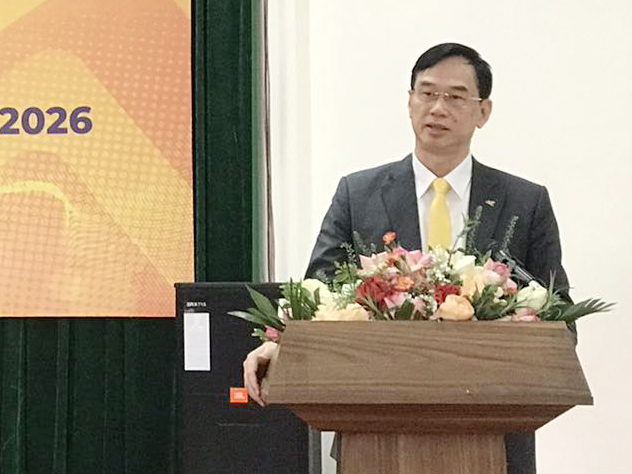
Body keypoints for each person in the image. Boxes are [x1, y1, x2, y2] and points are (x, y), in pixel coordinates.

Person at [243, 43, 569, 474]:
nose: (438, 108)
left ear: (483, 111)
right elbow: (317, 297)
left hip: (494, 442)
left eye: (455, 97)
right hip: (376, 439)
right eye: (427, 93)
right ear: (410, 101)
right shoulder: (358, 194)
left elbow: (560, 318)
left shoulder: (524, 202)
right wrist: (279, 343)